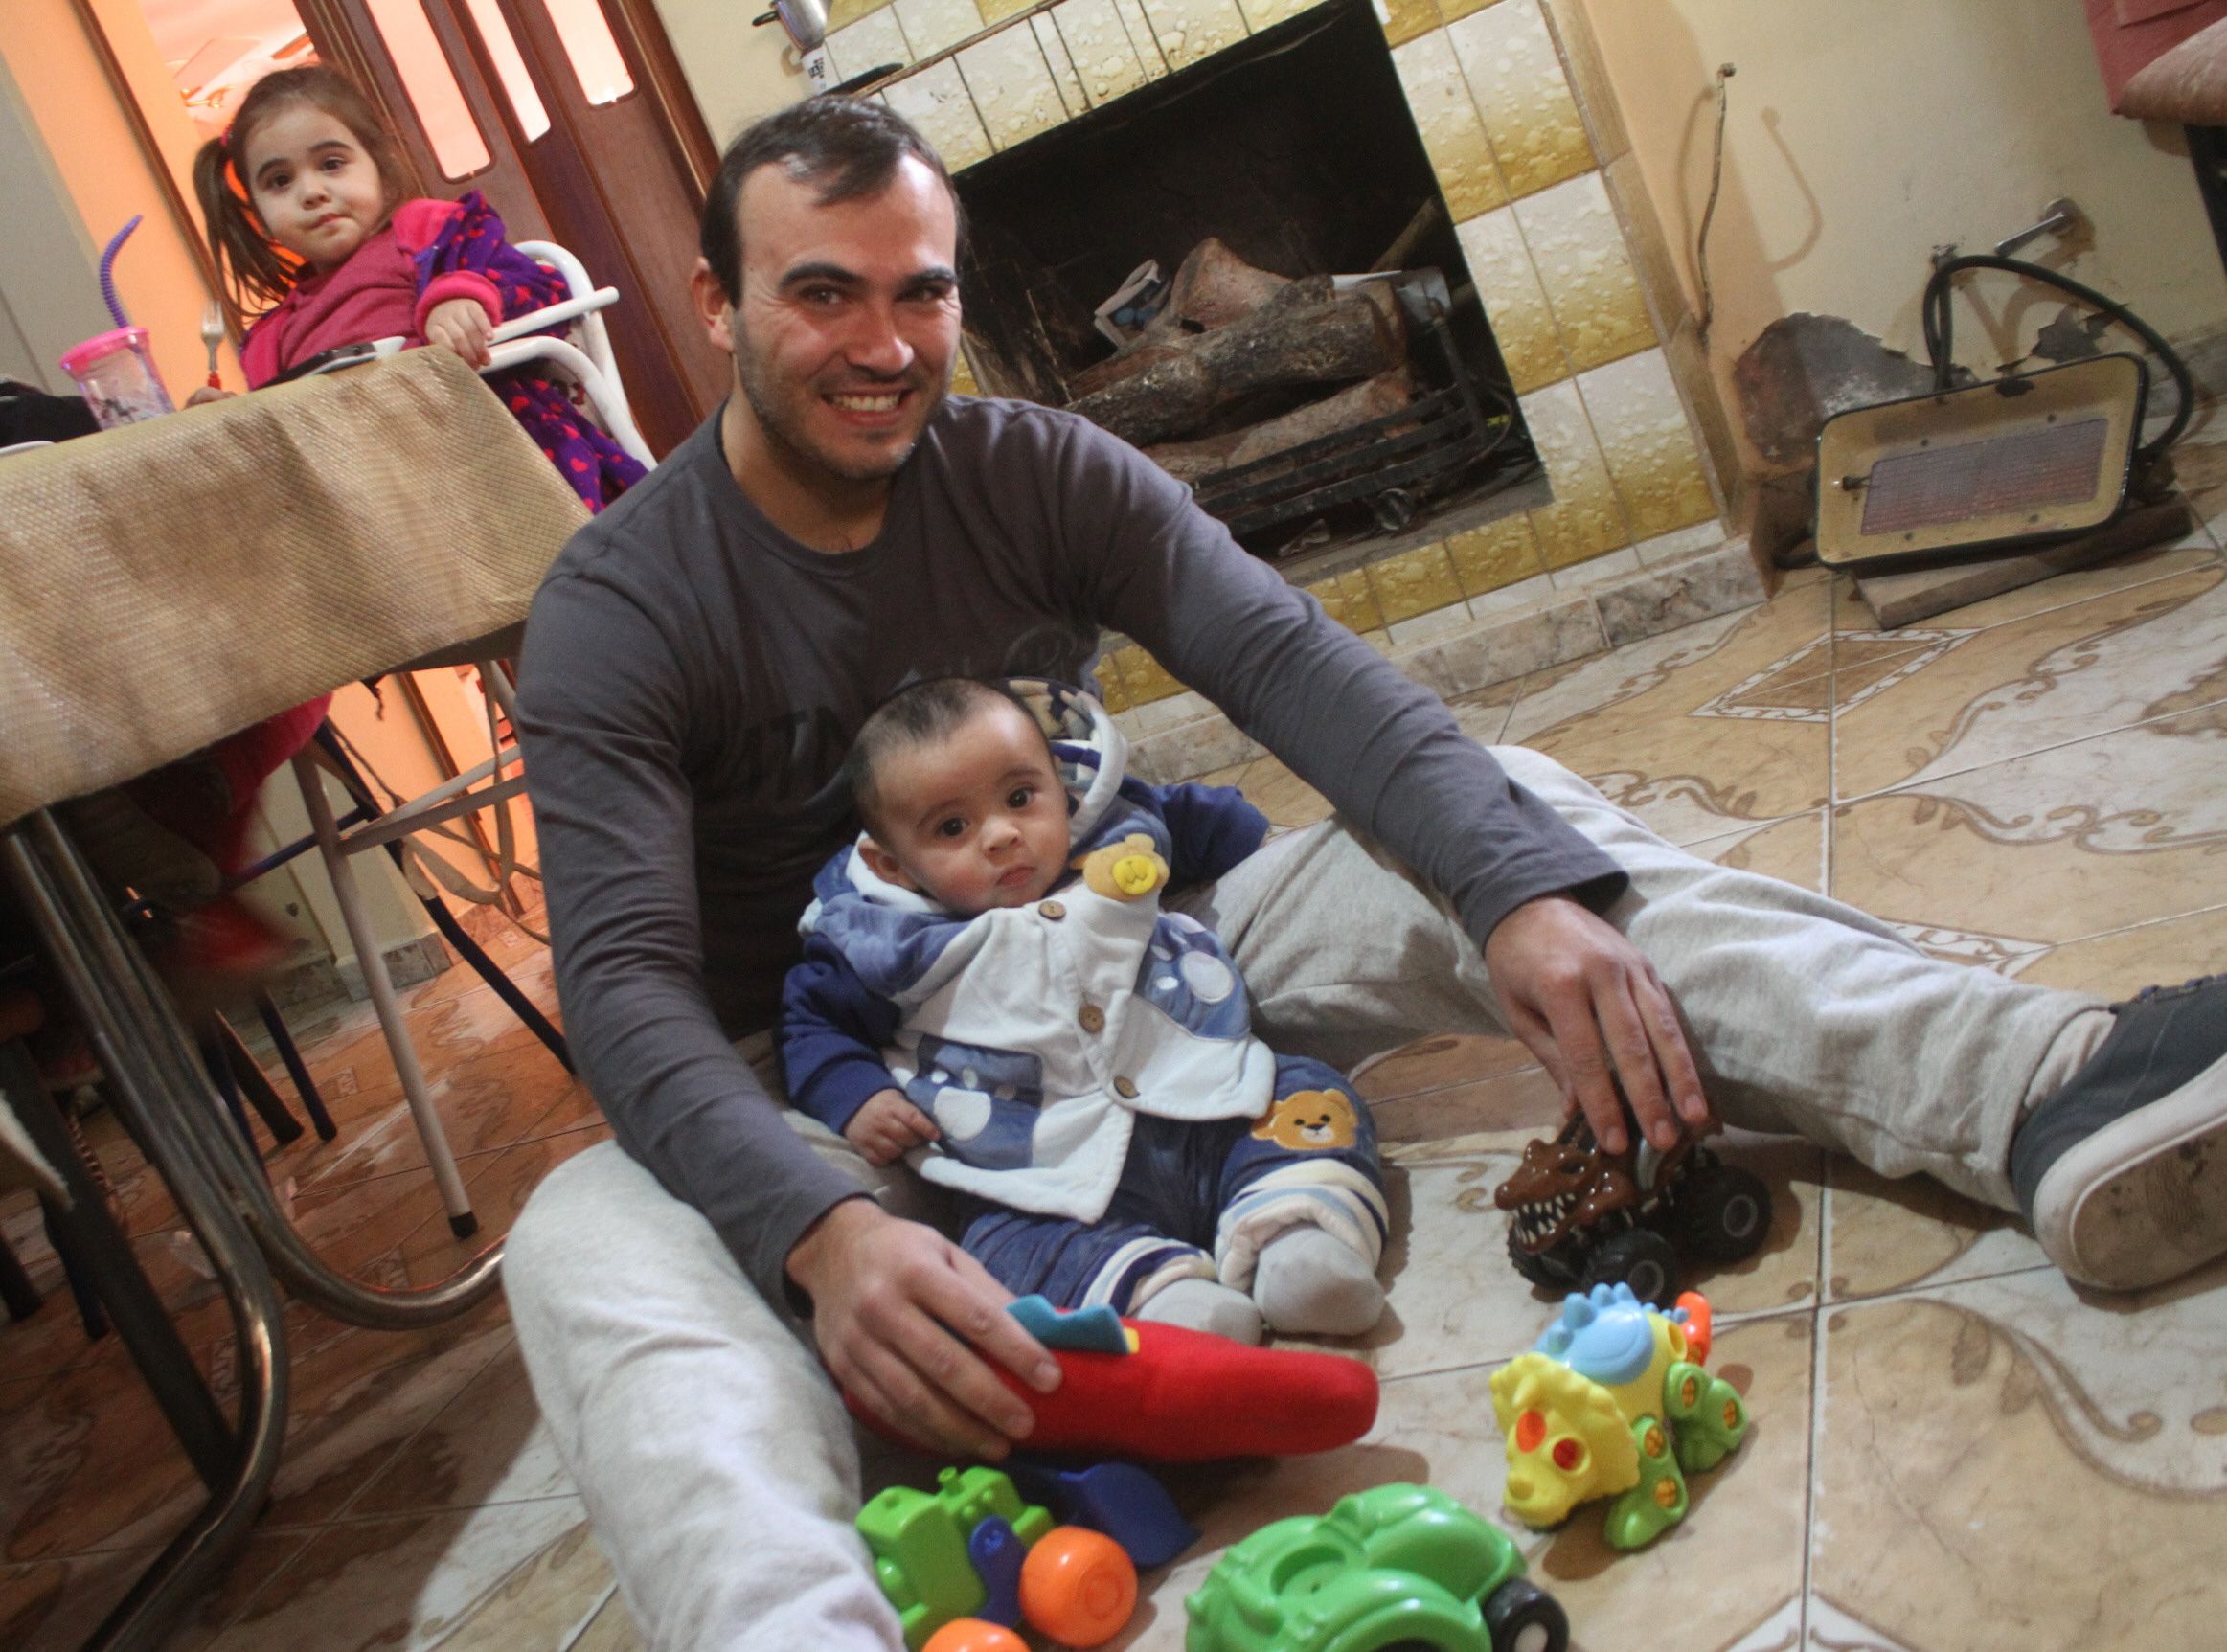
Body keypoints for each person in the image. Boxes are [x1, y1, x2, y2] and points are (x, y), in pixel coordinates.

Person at [506, 97, 2227, 1651]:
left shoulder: (1034, 468)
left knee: (1514, 821)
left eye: (923, 294)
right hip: (855, 1091)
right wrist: (813, 1228)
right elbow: (627, 984)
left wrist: (1511, 893)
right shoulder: (620, 605)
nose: (885, 347)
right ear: (717, 304)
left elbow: (1297, 669)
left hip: (1140, 961)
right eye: (823, 295)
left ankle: (2030, 1089)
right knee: (578, 1241)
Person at [111, 65, 648, 985]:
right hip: (370, 558)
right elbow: (289, 453)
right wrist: (234, 422)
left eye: (332, 163)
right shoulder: (273, 335)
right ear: (254, 210)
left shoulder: (429, 232)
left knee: (298, 622)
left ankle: (195, 819)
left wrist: (459, 299)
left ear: (377, 162)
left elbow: (510, 276)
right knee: (249, 627)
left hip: (497, 508)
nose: (313, 191)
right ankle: (193, 829)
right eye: (281, 180)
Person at [780, 676, 1388, 1347]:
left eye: (1020, 797)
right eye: (952, 827)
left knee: (1307, 1093)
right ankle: (1167, 1301)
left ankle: (1298, 1241)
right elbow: (812, 1023)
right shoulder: (878, 939)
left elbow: (1208, 822)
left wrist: (1238, 832)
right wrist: (855, 1095)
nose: (1002, 834)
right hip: (1039, 1178)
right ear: (893, 865)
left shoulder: (1115, 830)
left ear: (1060, 786)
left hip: (1209, 1099)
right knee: (1000, 1248)